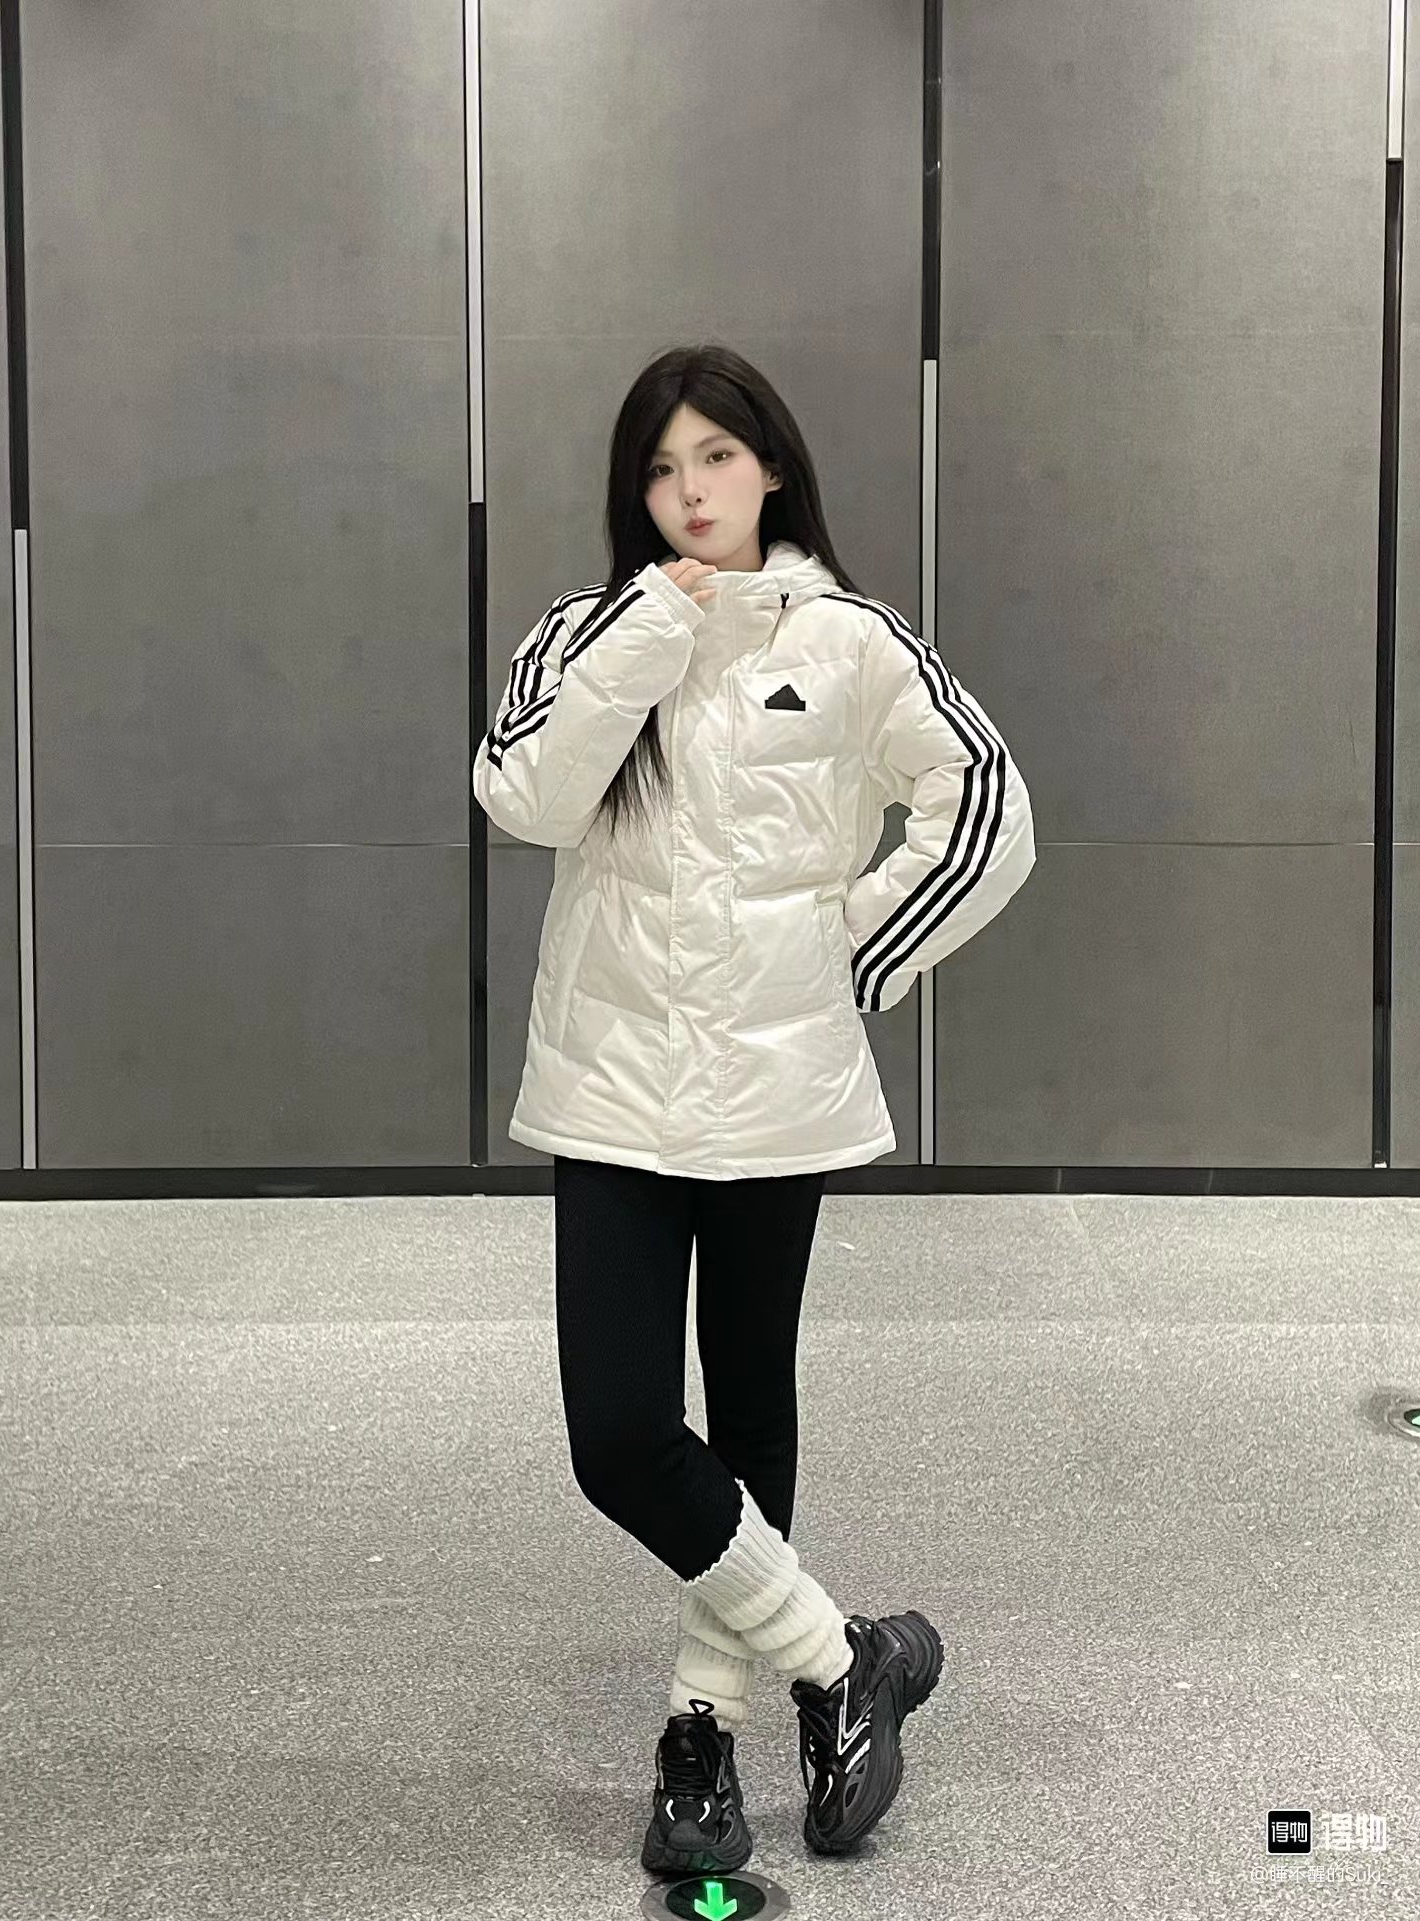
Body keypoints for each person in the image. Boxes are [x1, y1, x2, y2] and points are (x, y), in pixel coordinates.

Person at [473, 343, 1036, 1875]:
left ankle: (699, 1734)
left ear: (771, 465)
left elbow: (984, 806)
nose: (689, 489)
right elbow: (524, 796)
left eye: (714, 456)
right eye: (660, 467)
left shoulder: (850, 639)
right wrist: (652, 630)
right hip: (610, 1084)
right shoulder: (585, 632)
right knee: (617, 1434)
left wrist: (852, 950)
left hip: (776, 1088)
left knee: (746, 1401)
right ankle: (841, 1656)